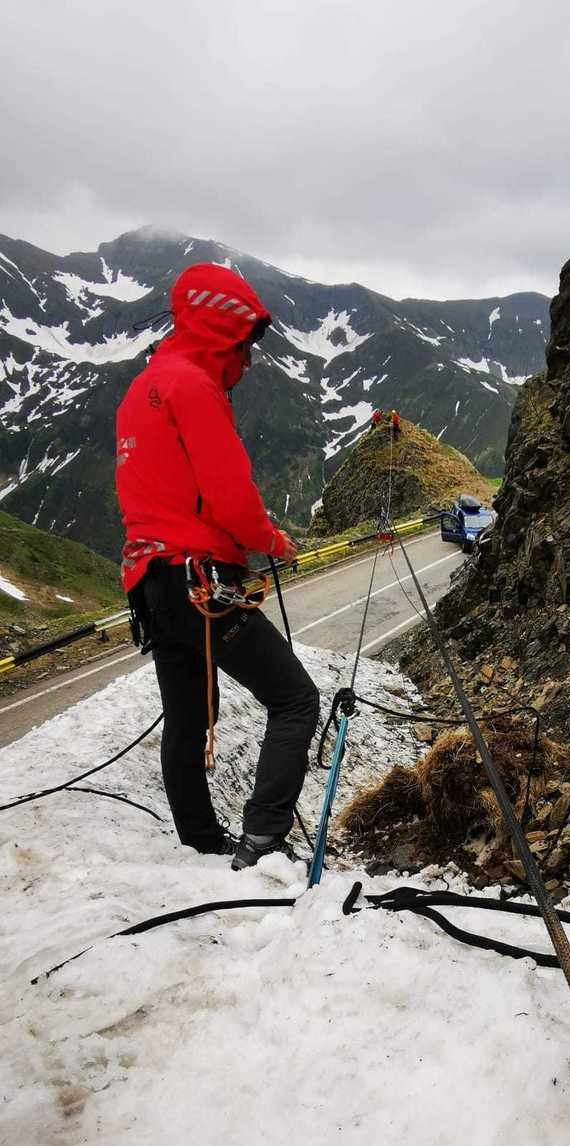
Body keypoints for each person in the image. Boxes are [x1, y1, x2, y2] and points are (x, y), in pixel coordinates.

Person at [116, 263, 320, 870]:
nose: (250, 360)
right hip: (200, 579)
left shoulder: (143, 387)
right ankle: (262, 842)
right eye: (245, 343)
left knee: (188, 715)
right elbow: (229, 493)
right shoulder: (193, 386)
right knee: (294, 700)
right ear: (221, 332)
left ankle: (200, 843)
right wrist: (273, 541)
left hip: (151, 582)